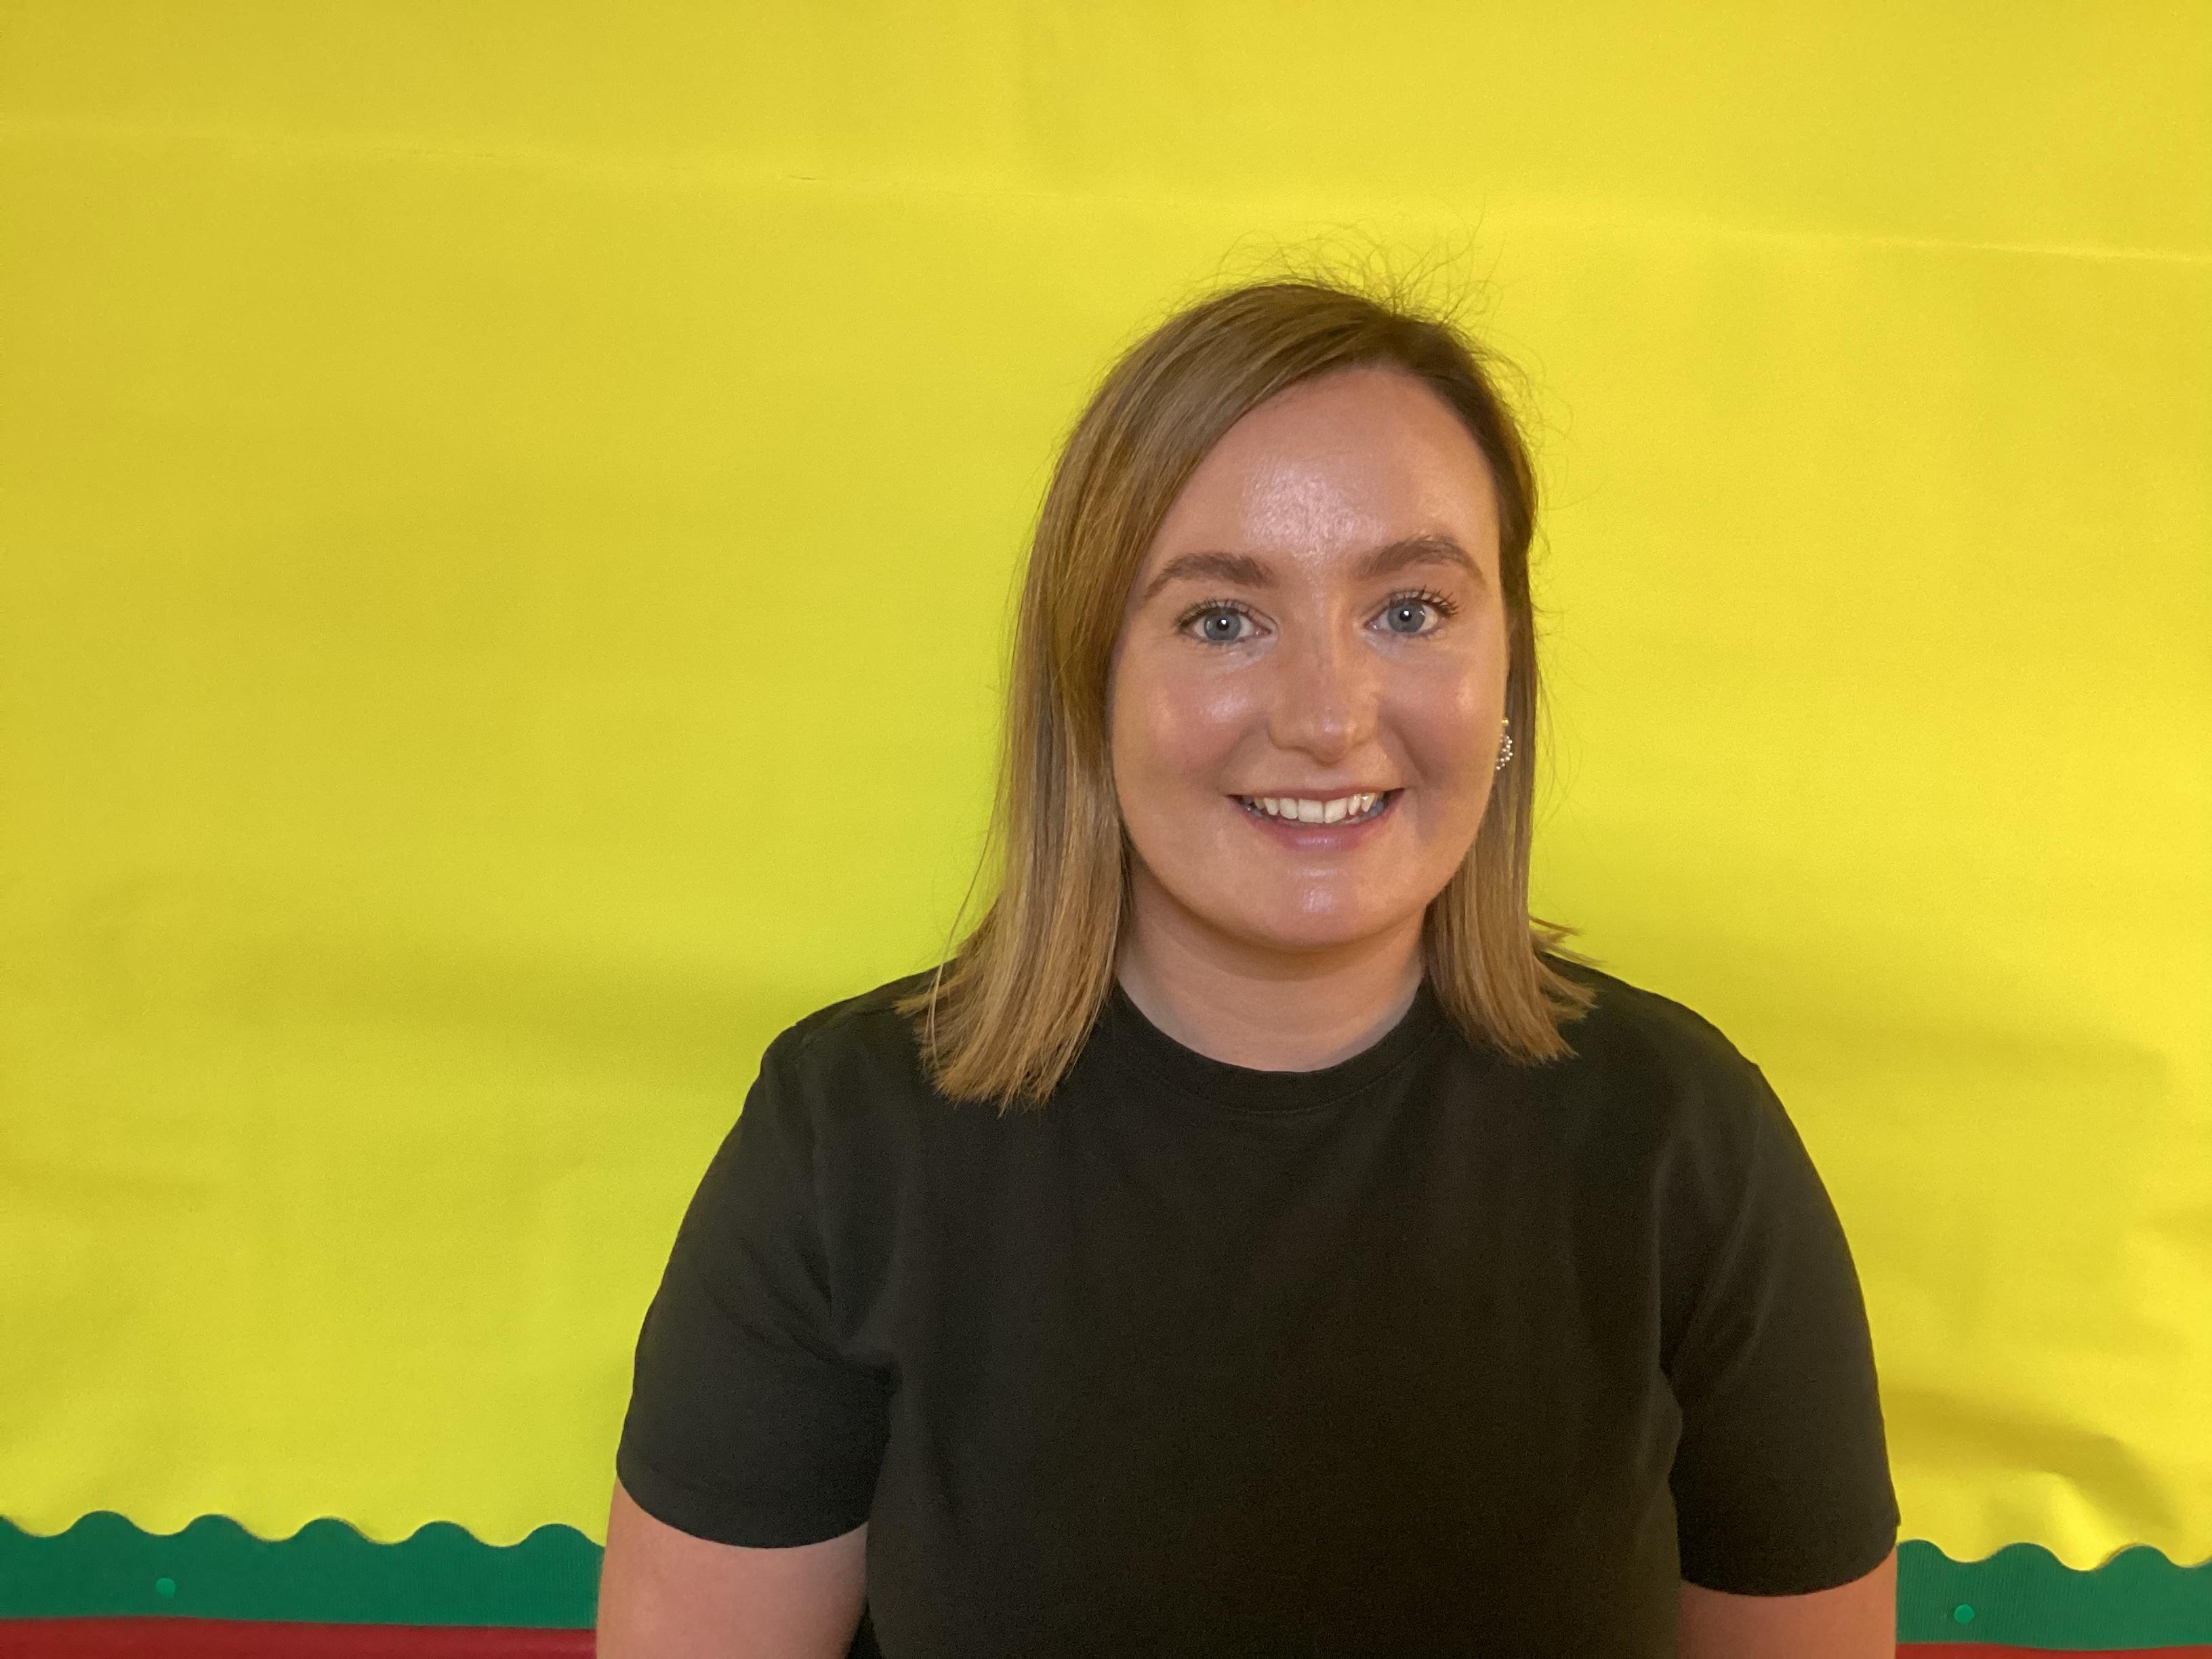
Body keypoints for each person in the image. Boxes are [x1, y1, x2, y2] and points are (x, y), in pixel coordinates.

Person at [594, 274, 1901, 1657]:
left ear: (1507, 673)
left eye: (1411, 610)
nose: (1328, 717)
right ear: (1089, 681)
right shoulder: (844, 1146)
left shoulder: (1687, 1146)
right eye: (1222, 619)